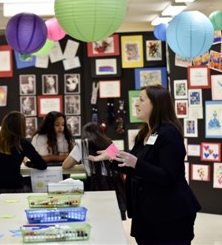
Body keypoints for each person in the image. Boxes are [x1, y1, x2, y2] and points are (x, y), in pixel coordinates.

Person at [88, 85, 201, 245]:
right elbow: (133, 167)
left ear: (157, 104)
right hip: (147, 214)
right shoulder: (144, 134)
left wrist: (136, 163)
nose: (136, 104)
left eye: (141, 100)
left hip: (170, 215)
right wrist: (112, 156)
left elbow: (167, 176)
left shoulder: (169, 134)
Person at [62, 122, 126, 220]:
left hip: (97, 185)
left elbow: (66, 165)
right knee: (113, 218)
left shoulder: (83, 144)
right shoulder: (110, 143)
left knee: (96, 218)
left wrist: (82, 161)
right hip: (115, 185)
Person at [0, 111, 47, 204]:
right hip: (15, 189)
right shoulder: (23, 143)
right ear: (21, 126)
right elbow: (42, 165)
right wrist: (27, 163)